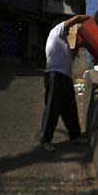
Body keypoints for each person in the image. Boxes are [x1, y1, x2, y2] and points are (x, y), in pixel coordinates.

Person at [40, 14, 91, 152]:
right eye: (67, 29)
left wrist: (81, 44)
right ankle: (46, 139)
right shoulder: (55, 32)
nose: (69, 31)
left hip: (66, 77)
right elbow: (77, 18)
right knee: (52, 109)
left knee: (70, 108)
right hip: (55, 75)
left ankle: (75, 136)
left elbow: (71, 56)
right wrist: (91, 19)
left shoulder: (64, 43)